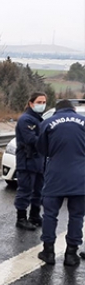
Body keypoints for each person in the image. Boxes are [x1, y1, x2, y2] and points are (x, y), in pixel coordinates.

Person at [35, 99, 85, 266]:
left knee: (50, 215)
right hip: (81, 177)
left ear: (57, 110)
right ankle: (71, 254)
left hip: (55, 175)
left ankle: (48, 251)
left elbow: (41, 149)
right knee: (77, 216)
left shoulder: (48, 123)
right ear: (73, 109)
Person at [13, 92, 47, 231]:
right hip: (27, 159)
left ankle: (34, 215)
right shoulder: (26, 119)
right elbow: (31, 139)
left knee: (38, 189)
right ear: (31, 103)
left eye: (44, 102)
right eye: (39, 102)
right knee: (25, 189)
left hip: (39, 159)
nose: (42, 105)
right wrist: (49, 142)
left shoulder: (39, 119)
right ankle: (21, 218)